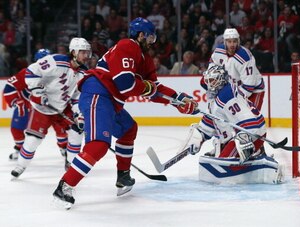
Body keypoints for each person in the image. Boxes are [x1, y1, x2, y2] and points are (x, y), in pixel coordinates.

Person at [52, 17, 199, 209]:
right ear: (140, 36)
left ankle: (123, 176)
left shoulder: (144, 58)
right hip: (98, 94)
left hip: (111, 102)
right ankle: (64, 187)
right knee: (98, 145)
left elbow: (154, 88)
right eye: (150, 38)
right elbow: (125, 83)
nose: (152, 42)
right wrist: (149, 89)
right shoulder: (127, 46)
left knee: (128, 129)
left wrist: (178, 100)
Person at [184, 65, 283, 184]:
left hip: (250, 133)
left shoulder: (227, 95)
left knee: (223, 164)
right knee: (220, 162)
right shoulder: (218, 97)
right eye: (208, 81)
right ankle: (257, 154)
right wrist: (198, 137)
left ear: (221, 79)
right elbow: (211, 122)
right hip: (244, 133)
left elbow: (246, 117)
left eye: (212, 80)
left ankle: (266, 164)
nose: (209, 85)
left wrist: (246, 137)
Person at [10, 38, 92, 178]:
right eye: (83, 52)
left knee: (77, 131)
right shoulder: (56, 61)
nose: (86, 56)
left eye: (87, 53)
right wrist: (37, 91)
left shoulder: (84, 73)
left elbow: (77, 97)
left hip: (63, 107)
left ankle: (71, 164)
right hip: (43, 108)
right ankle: (21, 165)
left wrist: (78, 113)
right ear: (73, 52)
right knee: (33, 140)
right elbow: (31, 71)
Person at [3, 49, 68, 161]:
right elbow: (9, 87)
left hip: (50, 107)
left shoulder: (58, 74)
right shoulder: (26, 72)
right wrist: (16, 101)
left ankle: (64, 148)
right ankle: (20, 148)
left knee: (61, 128)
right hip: (28, 107)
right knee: (16, 128)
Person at [207, 28, 265, 110]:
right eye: (229, 41)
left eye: (234, 41)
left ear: (238, 41)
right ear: (225, 42)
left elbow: (249, 87)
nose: (232, 44)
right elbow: (212, 65)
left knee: (251, 119)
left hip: (254, 90)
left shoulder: (244, 57)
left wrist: (232, 100)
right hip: (234, 88)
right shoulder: (218, 51)